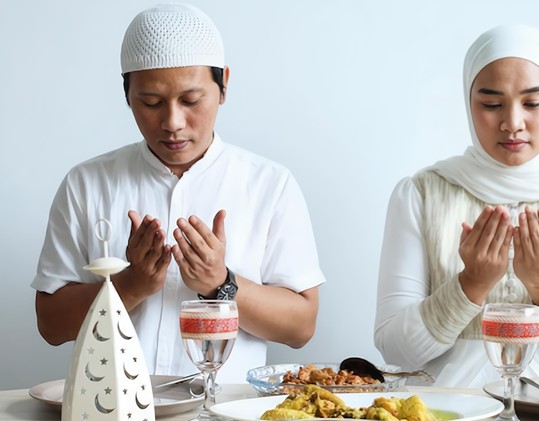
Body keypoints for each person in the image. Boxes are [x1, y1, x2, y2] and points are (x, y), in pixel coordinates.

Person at [31, 3, 325, 383]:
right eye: (151, 102)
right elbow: (51, 325)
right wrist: (129, 286)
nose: (172, 122)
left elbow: (301, 327)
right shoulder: (86, 184)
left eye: (191, 100)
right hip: (113, 410)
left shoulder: (270, 184)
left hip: (226, 411)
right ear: (127, 94)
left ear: (223, 86)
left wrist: (221, 283)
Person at [374, 24, 539, 388]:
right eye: (491, 104)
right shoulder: (420, 193)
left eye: (532, 103)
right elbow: (395, 350)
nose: (512, 123)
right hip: (445, 413)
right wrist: (470, 284)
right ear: (468, 102)